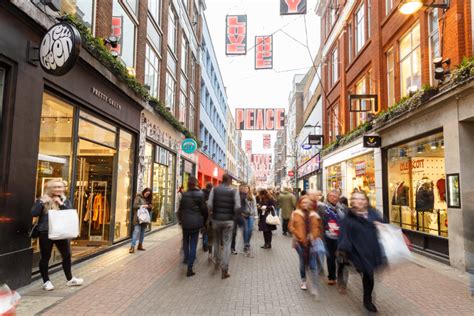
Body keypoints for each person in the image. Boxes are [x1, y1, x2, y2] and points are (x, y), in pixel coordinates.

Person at [31, 179, 83, 291]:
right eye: (56, 187)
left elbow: (69, 214)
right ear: (50, 188)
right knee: (45, 257)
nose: (59, 189)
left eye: (60, 187)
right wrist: (41, 202)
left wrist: (61, 204)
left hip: (61, 232)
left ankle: (70, 279)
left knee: (67, 255)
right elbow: (33, 213)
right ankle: (46, 281)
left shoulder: (65, 200)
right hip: (46, 232)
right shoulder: (43, 199)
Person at [338, 192, 385, 313]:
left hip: (371, 249)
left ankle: (367, 299)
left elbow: (384, 223)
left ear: (365, 201)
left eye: (360, 199)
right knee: (366, 272)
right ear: (352, 201)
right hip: (357, 252)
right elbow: (343, 235)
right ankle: (368, 300)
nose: (357, 201)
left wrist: (381, 225)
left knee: (369, 275)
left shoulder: (373, 213)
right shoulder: (348, 217)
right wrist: (344, 250)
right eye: (354, 199)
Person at [207, 174, 241, 279]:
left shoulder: (214, 190)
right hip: (228, 221)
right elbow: (238, 206)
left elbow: (209, 204)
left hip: (216, 220)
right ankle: (224, 269)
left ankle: (217, 261)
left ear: (222, 180)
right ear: (229, 181)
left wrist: (212, 214)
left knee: (216, 241)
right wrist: (233, 216)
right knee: (227, 244)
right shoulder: (234, 191)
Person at [289, 195, 322, 298]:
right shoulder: (295, 214)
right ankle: (303, 280)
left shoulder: (314, 215)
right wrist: (297, 234)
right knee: (303, 262)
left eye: (307, 202)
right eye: (303, 202)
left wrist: (314, 235)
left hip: (312, 243)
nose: (305, 204)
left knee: (313, 265)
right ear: (300, 203)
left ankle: (315, 285)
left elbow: (319, 228)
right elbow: (290, 226)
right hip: (299, 243)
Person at [178, 177, 208, 277]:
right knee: (194, 244)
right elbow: (204, 209)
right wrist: (204, 221)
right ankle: (190, 268)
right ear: (195, 183)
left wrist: (181, 220)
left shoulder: (184, 194)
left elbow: (180, 209)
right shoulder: (200, 194)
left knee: (186, 242)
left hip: (185, 223)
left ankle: (186, 259)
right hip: (196, 223)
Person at [321, 190, 347, 288]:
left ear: (339, 197)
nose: (333, 198)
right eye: (330, 196)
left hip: (341, 238)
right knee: (330, 258)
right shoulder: (323, 208)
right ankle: (331, 277)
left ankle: (341, 278)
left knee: (341, 259)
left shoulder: (343, 208)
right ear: (327, 197)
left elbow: (347, 220)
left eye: (335, 196)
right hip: (328, 237)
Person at [129, 188, 152, 253]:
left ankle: (140, 245)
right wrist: (143, 206)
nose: (147, 195)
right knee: (136, 232)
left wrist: (150, 206)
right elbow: (134, 206)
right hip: (138, 218)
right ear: (144, 192)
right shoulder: (138, 197)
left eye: (148, 194)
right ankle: (132, 247)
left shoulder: (148, 199)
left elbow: (149, 208)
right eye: (146, 193)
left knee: (142, 233)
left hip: (145, 219)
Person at [240, 184, 257, 255]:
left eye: (247, 189)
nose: (246, 190)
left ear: (249, 189)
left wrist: (255, 215)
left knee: (250, 230)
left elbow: (254, 206)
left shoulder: (252, 197)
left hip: (250, 215)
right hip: (243, 215)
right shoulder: (241, 197)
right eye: (245, 189)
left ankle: (247, 242)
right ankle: (246, 244)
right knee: (245, 230)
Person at [202, 183, 213, 254]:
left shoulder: (202, 193)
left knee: (204, 230)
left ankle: (204, 245)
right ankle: (207, 244)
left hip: (203, 214)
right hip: (209, 215)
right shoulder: (212, 194)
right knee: (208, 231)